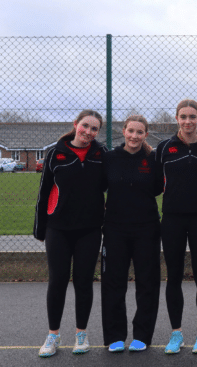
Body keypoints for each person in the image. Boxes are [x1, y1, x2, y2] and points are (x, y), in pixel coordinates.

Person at [34, 110, 108, 357]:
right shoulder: (56, 153)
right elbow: (43, 193)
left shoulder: (101, 154)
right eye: (85, 126)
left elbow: (112, 186)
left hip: (89, 230)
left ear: (98, 132)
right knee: (57, 281)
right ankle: (53, 335)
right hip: (58, 229)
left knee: (83, 282)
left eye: (94, 129)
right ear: (76, 125)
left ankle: (81, 334)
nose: (88, 132)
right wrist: (40, 229)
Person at [101, 115, 163, 353]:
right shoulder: (109, 158)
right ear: (124, 131)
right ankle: (115, 335)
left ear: (146, 135)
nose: (135, 136)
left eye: (140, 132)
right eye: (131, 131)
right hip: (115, 228)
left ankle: (142, 335)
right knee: (113, 283)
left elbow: (158, 187)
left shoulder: (153, 159)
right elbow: (100, 187)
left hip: (146, 228)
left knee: (147, 283)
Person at [155, 99, 197, 354]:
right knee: (174, 276)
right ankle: (176, 333)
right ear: (177, 119)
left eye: (192, 116)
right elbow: (152, 182)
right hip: (173, 219)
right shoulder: (164, 147)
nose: (188, 121)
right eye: (183, 116)